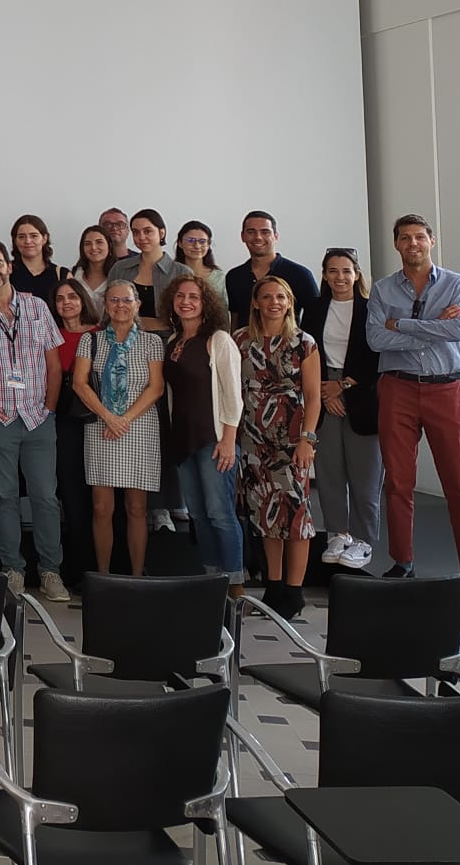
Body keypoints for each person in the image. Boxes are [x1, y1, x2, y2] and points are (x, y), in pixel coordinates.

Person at [366, 213, 460, 602]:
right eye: (405, 238)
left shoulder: (458, 284)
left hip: (445, 390)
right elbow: (375, 339)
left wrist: (403, 325)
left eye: (419, 237)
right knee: (398, 483)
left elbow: (458, 331)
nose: (412, 244)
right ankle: (402, 562)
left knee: (459, 486)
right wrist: (431, 325)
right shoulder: (383, 289)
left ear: (431, 240)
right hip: (397, 390)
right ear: (396, 244)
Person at [0, 242, 70, 601]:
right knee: (4, 496)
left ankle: (51, 571)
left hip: (39, 417)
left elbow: (54, 364)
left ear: (9, 265)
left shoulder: (37, 307)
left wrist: (50, 408)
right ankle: (13, 569)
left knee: (45, 497)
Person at [235, 276, 322, 618]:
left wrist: (307, 440)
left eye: (281, 297)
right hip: (253, 438)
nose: (274, 302)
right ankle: (273, 586)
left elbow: (314, 397)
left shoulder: (304, 342)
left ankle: (295, 590)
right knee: (265, 512)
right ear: (255, 302)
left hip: (292, 438)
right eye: (267, 296)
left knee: (296, 514)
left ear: (290, 302)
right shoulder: (241, 340)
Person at [73, 281, 164, 576]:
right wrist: (109, 417)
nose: (120, 306)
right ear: (105, 305)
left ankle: (137, 576)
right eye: (113, 300)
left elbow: (156, 388)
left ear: (137, 304)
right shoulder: (91, 340)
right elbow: (79, 383)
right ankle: (103, 576)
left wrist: (123, 419)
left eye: (126, 300)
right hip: (101, 425)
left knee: (137, 508)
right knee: (101, 508)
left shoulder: (152, 342)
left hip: (139, 425)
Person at [160, 276, 244, 597]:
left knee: (220, 513)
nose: (186, 301)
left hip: (214, 439)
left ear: (205, 303)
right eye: (180, 295)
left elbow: (234, 395)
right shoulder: (173, 342)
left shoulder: (219, 340)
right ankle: (212, 582)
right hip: (183, 440)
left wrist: (228, 440)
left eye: (193, 296)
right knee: (198, 515)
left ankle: (235, 587)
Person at [302, 249, 381, 573]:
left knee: (365, 475)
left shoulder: (371, 308)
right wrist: (325, 389)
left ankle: (363, 539)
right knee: (330, 471)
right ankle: (337, 534)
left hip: (361, 393)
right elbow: (307, 350)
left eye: (346, 271)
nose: (339, 277)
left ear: (357, 274)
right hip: (323, 389)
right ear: (324, 274)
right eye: (332, 271)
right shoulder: (316, 308)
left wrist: (344, 386)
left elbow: (376, 354)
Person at [49, 278, 101, 588]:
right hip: (63, 423)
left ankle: (106, 566)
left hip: (97, 422)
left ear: (83, 299)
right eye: (59, 299)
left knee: (101, 498)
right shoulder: (50, 336)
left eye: (72, 296)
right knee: (71, 496)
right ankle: (79, 569)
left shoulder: (100, 335)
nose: (66, 302)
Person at [225, 211, 320, 329]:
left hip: (290, 345)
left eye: (265, 232)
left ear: (275, 236)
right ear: (242, 236)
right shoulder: (234, 276)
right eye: (251, 232)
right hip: (245, 346)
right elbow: (235, 318)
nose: (258, 237)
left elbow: (316, 316)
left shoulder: (300, 274)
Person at [109, 208, 190, 333]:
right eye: (136, 232)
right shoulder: (120, 268)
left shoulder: (181, 272)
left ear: (161, 233)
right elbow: (109, 306)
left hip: (167, 338)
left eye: (148, 231)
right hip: (124, 337)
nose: (141, 237)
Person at [8, 215, 64, 308]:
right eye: (21, 237)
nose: (28, 241)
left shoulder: (61, 274)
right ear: (15, 241)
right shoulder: (6, 272)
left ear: (44, 238)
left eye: (34, 236)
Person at [177, 221, 227, 302]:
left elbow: (223, 310)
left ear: (208, 244)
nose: (197, 246)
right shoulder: (171, 273)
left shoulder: (218, 277)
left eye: (202, 241)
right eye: (191, 240)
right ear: (180, 243)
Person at [71, 226, 115, 306]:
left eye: (99, 242)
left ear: (110, 246)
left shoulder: (120, 274)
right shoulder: (73, 275)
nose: (93, 248)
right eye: (87, 244)